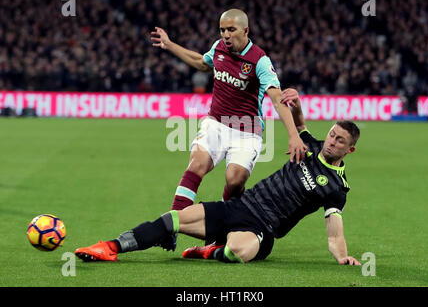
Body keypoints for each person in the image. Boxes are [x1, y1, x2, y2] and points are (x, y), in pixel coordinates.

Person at [74, 89, 361, 265]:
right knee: (174, 219)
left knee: (237, 250)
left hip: (264, 228)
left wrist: (342, 256)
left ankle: (209, 251)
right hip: (240, 205)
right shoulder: (309, 144)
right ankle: (111, 247)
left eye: (339, 140)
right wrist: (295, 101)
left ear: (350, 149)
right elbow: (299, 123)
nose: (331, 141)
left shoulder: (337, 187)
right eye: (332, 134)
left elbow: (335, 233)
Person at [149, 8, 307, 252]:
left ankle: (223, 228)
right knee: (196, 165)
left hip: (247, 129)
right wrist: (169, 45)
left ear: (246, 30)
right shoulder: (219, 48)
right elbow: (202, 63)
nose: (225, 35)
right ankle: (171, 227)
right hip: (216, 123)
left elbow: (276, 98)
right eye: (222, 30)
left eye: (231, 30)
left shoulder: (259, 60)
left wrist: (294, 135)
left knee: (235, 181)